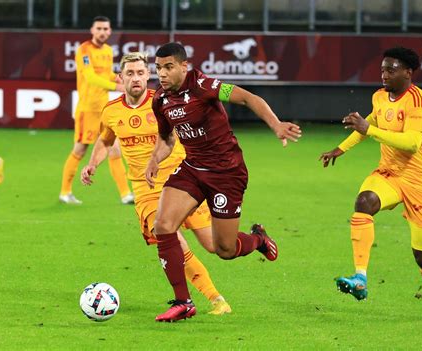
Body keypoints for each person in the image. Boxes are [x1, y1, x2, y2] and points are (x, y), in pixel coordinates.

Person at [145, 42, 302, 322]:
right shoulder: (160, 100)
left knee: (225, 250)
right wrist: (155, 159)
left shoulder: (204, 85)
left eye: (168, 67)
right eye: (158, 68)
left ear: (184, 66)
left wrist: (276, 124)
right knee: (163, 225)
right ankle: (183, 302)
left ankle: (258, 240)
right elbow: (167, 138)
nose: (162, 74)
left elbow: (248, 98)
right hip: (192, 168)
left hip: (226, 174)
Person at [80, 52, 231, 316]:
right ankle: (214, 299)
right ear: (120, 78)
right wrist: (92, 163)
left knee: (215, 246)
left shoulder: (163, 103)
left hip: (184, 185)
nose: (136, 78)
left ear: (147, 75)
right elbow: (105, 140)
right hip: (146, 192)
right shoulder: (112, 111)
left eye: (140, 73)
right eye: (130, 73)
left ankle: (258, 240)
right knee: (171, 238)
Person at [319, 47, 422, 321]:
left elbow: (412, 143)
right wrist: (340, 149)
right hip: (389, 174)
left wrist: (370, 130)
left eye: (391, 70)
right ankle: (360, 278)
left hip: (420, 182)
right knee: (363, 202)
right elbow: (369, 123)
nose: (384, 75)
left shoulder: (418, 101)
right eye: (382, 69)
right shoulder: (379, 97)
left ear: (407, 72)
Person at [59, 15, 134, 205]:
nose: (102, 32)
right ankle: (65, 191)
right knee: (80, 149)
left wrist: (117, 78)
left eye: (105, 29)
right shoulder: (84, 50)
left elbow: (105, 73)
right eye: (98, 28)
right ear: (92, 30)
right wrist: (116, 87)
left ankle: (126, 194)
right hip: (87, 109)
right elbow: (90, 77)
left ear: (109, 31)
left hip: (104, 108)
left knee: (115, 148)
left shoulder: (108, 50)